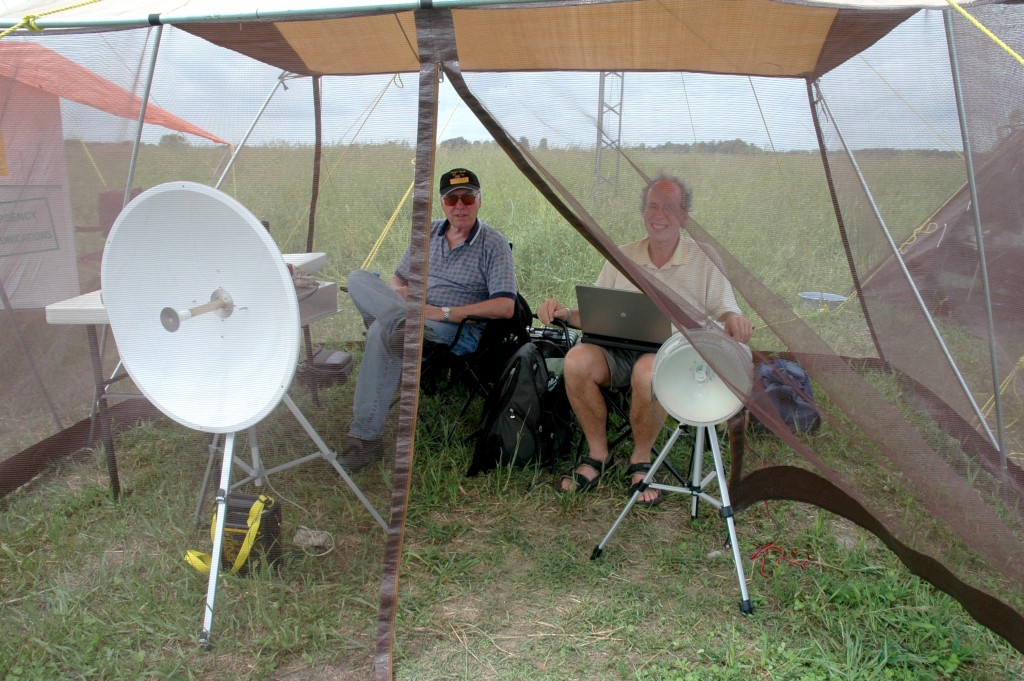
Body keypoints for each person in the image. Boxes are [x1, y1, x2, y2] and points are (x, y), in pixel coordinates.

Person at [537, 175, 752, 506]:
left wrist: (733, 319)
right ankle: (598, 455)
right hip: (618, 348)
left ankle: (640, 459)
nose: (659, 215)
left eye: (669, 207)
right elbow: (599, 313)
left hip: (672, 354)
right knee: (576, 360)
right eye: (652, 206)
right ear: (642, 211)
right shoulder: (623, 255)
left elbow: (726, 310)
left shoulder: (704, 257)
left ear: (683, 215)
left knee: (648, 371)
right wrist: (563, 312)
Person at [341, 168, 518, 470]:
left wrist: (443, 312)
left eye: (467, 197)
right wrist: (402, 296)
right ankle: (401, 323)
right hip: (414, 316)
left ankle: (365, 440)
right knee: (358, 278)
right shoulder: (427, 234)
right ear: (442, 203)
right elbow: (396, 281)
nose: (459, 206)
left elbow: (505, 307)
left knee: (381, 331)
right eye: (452, 199)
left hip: (453, 328)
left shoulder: (493, 243)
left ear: (479, 200)